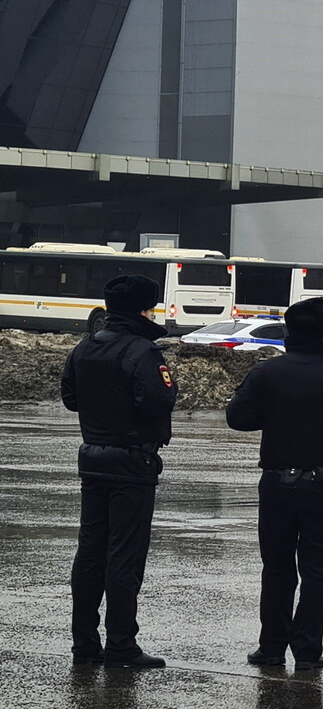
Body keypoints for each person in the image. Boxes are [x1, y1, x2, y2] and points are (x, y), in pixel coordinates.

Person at [227, 297, 323, 671]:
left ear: (289, 332)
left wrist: (274, 415)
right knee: (316, 571)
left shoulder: (267, 373)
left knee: (277, 568)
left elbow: (237, 417)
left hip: (277, 485)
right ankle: (308, 652)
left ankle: (271, 648)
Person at [61, 275, 176, 669]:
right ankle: (122, 644)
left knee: (90, 551)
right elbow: (156, 402)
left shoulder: (85, 346)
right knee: (124, 555)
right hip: (133, 462)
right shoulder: (143, 351)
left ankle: (84, 643)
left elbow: (71, 399)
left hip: (92, 458)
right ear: (145, 308)